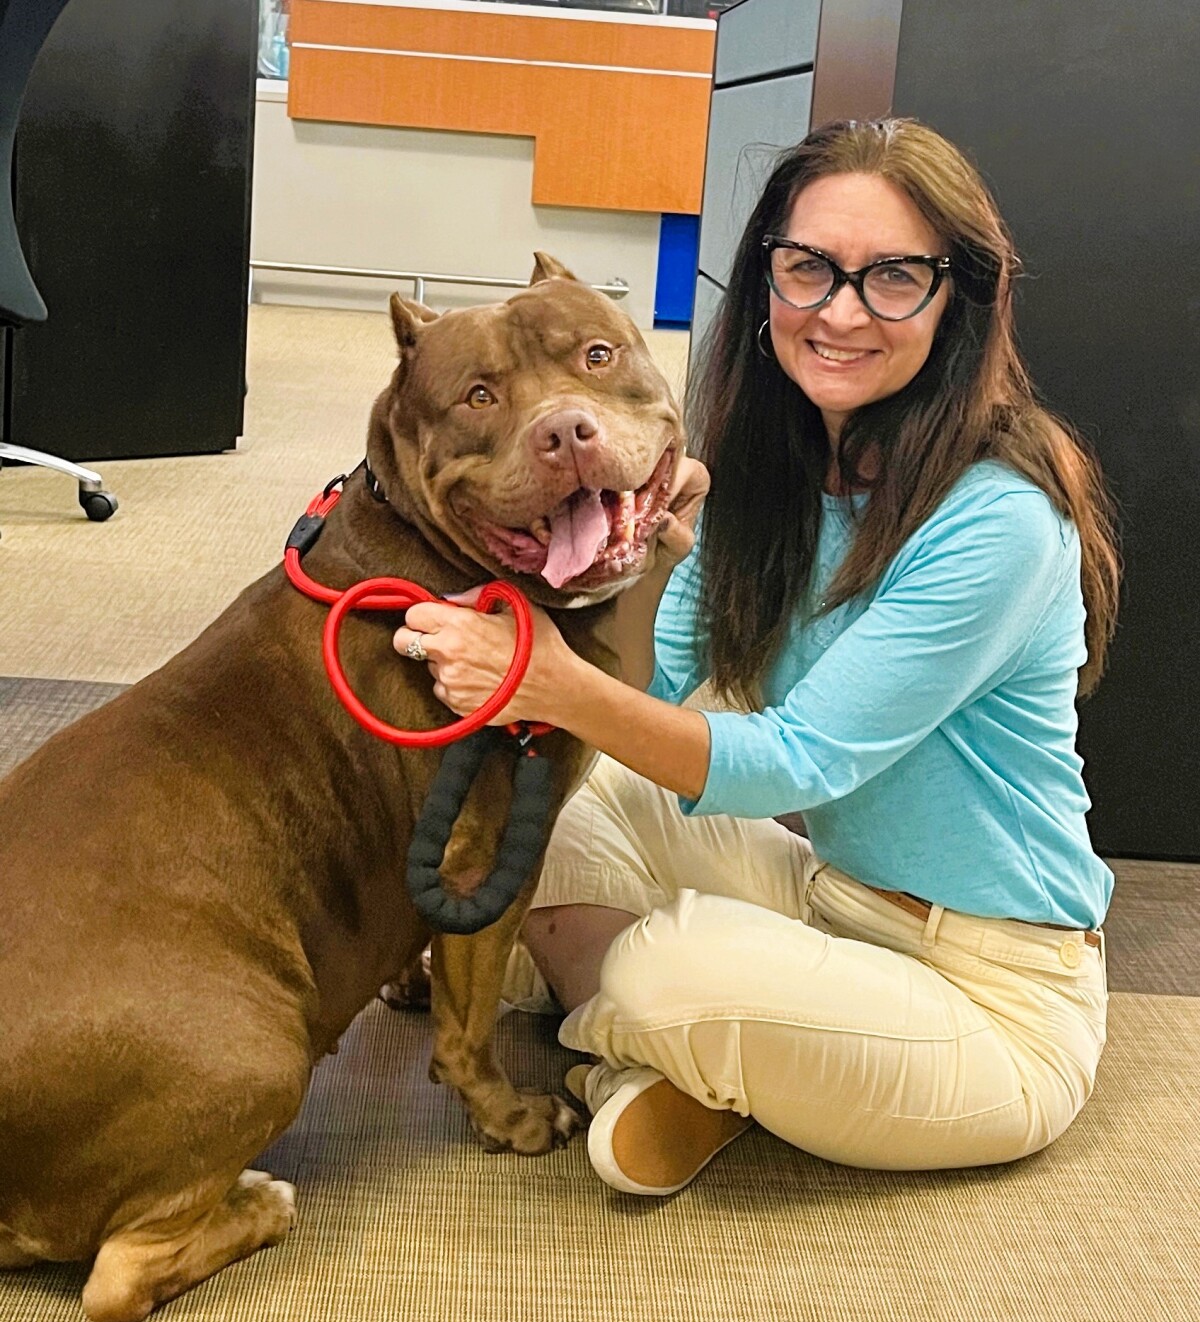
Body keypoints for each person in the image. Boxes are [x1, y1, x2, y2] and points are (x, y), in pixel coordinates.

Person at [392, 118, 1121, 1197]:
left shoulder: (1001, 516)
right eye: (809, 268)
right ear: (766, 275)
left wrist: (544, 675)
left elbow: (795, 761)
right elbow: (668, 682)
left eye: (894, 278)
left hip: (995, 998)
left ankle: (663, 1047)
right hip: (831, 900)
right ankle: (723, 1053)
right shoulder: (783, 465)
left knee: (667, 963)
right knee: (552, 803)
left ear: (960, 296)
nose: (839, 309)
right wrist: (628, 543)